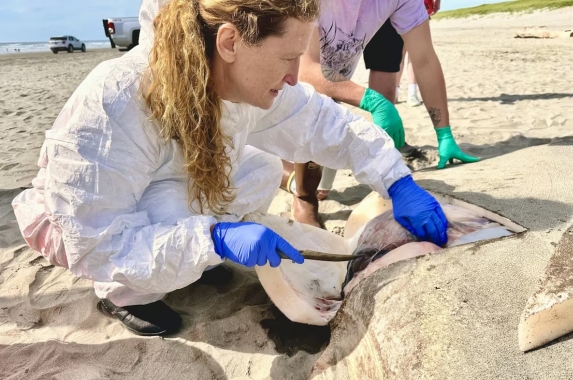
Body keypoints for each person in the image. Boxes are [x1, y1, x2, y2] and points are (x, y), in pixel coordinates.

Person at [12, 0, 449, 336]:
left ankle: (191, 256)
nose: (295, 76)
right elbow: (94, 240)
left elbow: (323, 122)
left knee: (258, 170)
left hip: (168, 187)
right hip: (91, 223)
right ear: (229, 42)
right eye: (285, 59)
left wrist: (396, 180)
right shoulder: (115, 99)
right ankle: (123, 295)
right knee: (169, 222)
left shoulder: (239, 74)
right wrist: (212, 237)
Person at [284, 0, 480, 228]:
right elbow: (304, 70)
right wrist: (372, 100)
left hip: (327, 84)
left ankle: (299, 185)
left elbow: (424, 59)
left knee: (318, 170)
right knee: (272, 153)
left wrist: (444, 133)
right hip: (267, 81)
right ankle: (303, 199)